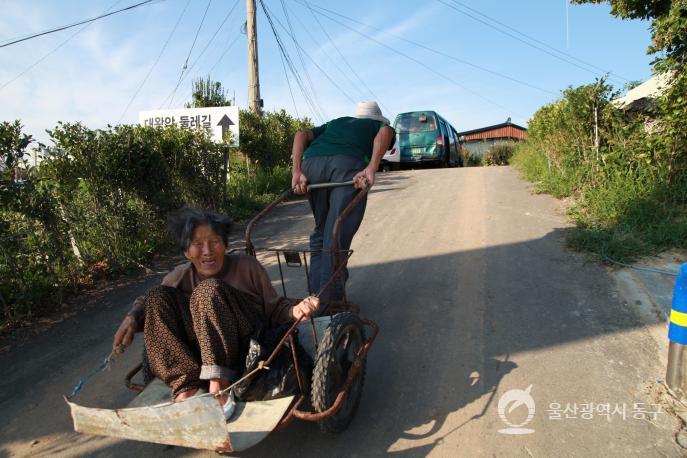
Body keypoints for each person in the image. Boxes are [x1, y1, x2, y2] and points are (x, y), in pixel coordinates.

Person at [112, 208, 319, 412]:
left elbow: (274, 308)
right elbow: (148, 303)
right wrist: (132, 318)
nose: (207, 251)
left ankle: (219, 385)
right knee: (157, 296)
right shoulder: (182, 275)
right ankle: (186, 389)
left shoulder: (248, 267)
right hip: (203, 349)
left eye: (214, 242)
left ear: (225, 245)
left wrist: (296, 309)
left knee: (208, 290)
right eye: (197, 244)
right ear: (187, 251)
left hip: (246, 344)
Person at [291, 101, 395, 302]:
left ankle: (316, 293)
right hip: (346, 166)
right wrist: (371, 168)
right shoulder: (376, 126)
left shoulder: (335, 123)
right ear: (377, 118)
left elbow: (300, 134)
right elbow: (386, 133)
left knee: (322, 231)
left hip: (311, 165)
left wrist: (296, 171)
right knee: (336, 233)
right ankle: (330, 301)